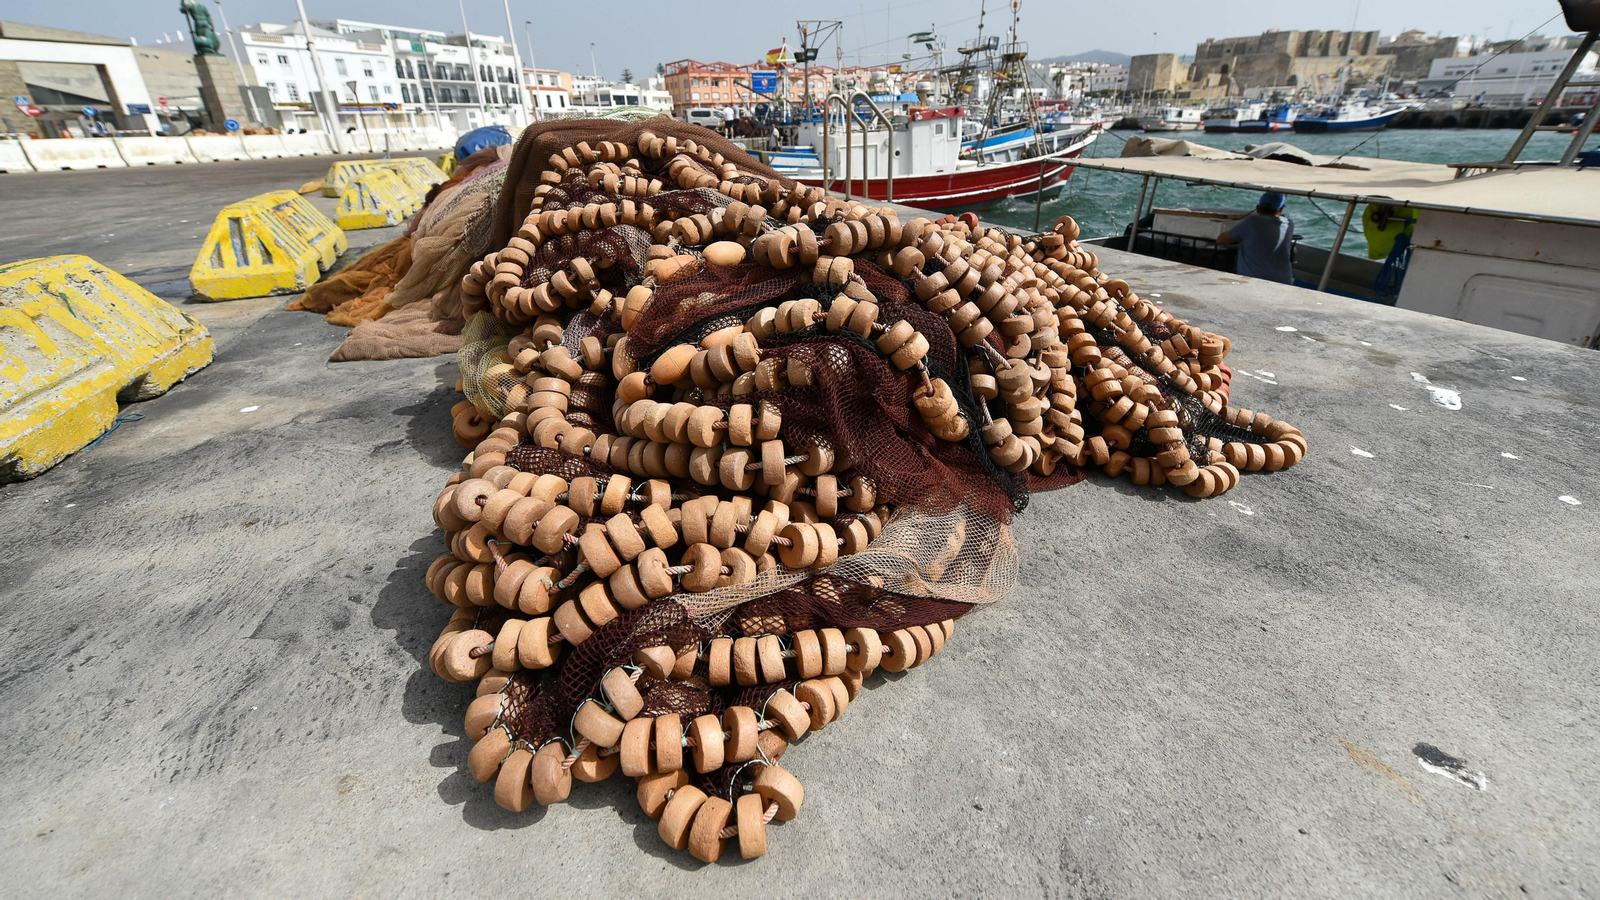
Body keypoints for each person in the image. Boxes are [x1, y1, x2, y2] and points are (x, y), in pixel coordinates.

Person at [1218, 191, 1295, 284]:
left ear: (1257, 208)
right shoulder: (1289, 224)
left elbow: (1221, 240)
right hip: (1284, 281)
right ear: (1281, 209)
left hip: (1255, 280)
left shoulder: (1252, 221)